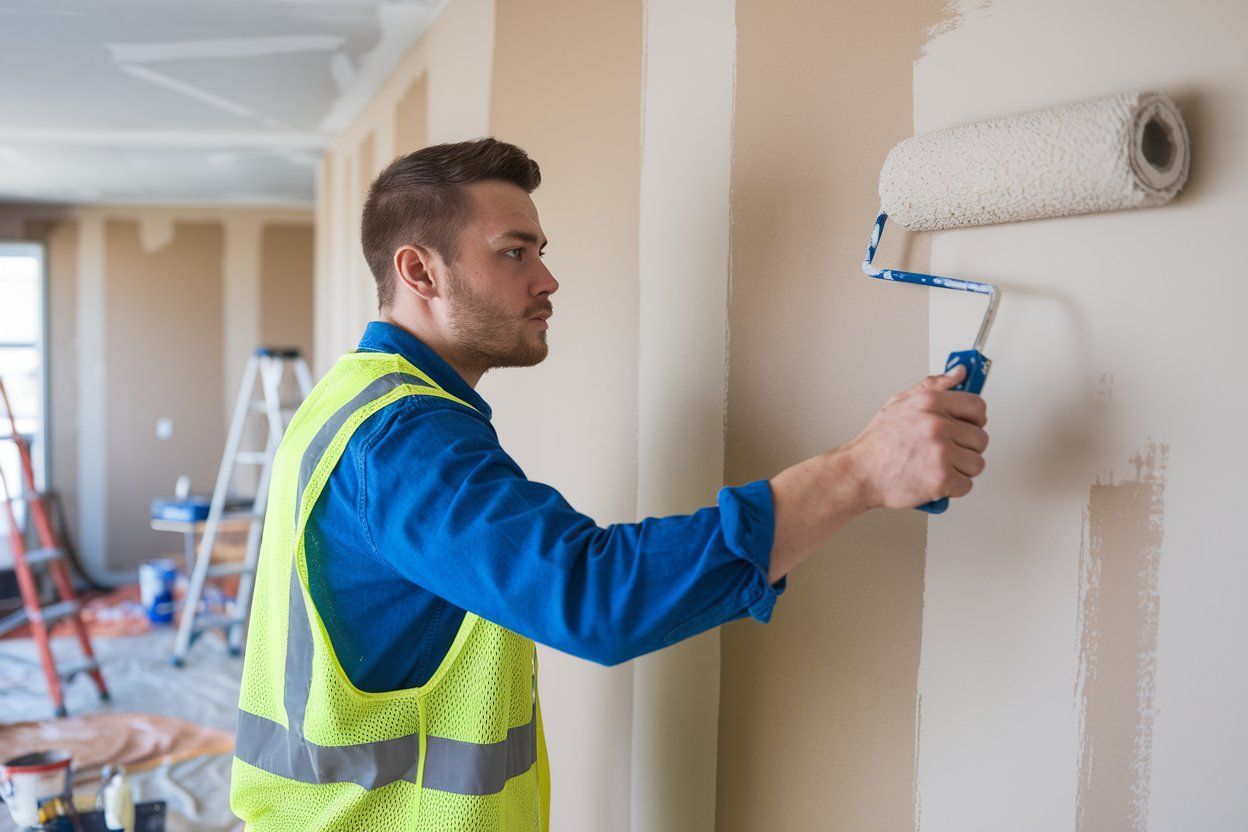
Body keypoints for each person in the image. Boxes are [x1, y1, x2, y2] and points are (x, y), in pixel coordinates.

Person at [229, 138, 989, 830]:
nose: (548, 279)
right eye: (514, 253)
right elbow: (592, 598)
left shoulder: (353, 397)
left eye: (540, 251)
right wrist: (856, 473)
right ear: (420, 270)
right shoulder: (405, 440)